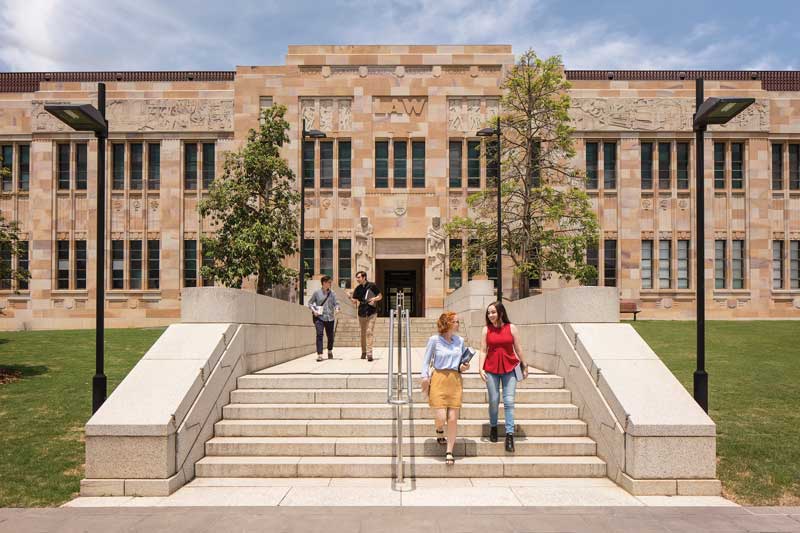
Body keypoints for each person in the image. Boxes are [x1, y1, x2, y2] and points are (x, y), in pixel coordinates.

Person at [420, 311, 470, 466]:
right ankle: (439, 429)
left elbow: (462, 364)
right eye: (455, 321)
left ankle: (449, 451)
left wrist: (464, 366)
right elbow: (426, 361)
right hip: (438, 380)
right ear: (447, 323)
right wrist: (424, 377)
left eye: (458, 321)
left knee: (453, 418)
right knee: (441, 417)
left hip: (455, 380)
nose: (458, 324)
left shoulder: (460, 341)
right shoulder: (434, 340)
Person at [479, 301, 529, 452]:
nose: (490, 315)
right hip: (491, 368)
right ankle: (493, 426)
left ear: (501, 312)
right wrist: (480, 368)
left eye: (493, 312)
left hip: (511, 368)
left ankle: (509, 435)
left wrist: (525, 365)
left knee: (509, 401)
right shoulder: (486, 330)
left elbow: (518, 348)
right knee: (494, 400)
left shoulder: (511, 328)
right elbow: (482, 350)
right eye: (488, 313)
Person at [307, 275, 341, 362]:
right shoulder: (317, 293)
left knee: (330, 337)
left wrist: (337, 309)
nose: (330, 284)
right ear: (324, 283)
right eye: (329, 282)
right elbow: (310, 303)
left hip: (330, 318)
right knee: (319, 335)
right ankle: (320, 354)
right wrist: (314, 310)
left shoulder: (332, 293)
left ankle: (329, 350)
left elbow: (336, 303)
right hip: (319, 318)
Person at [350, 271, 382, 361]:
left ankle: (369, 353)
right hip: (361, 313)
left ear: (364, 277)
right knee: (363, 333)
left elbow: (380, 296)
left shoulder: (372, 286)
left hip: (372, 312)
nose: (357, 279)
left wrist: (374, 299)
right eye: (356, 277)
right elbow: (354, 301)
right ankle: (363, 352)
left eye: (359, 277)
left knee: (369, 332)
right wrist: (350, 297)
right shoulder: (358, 288)